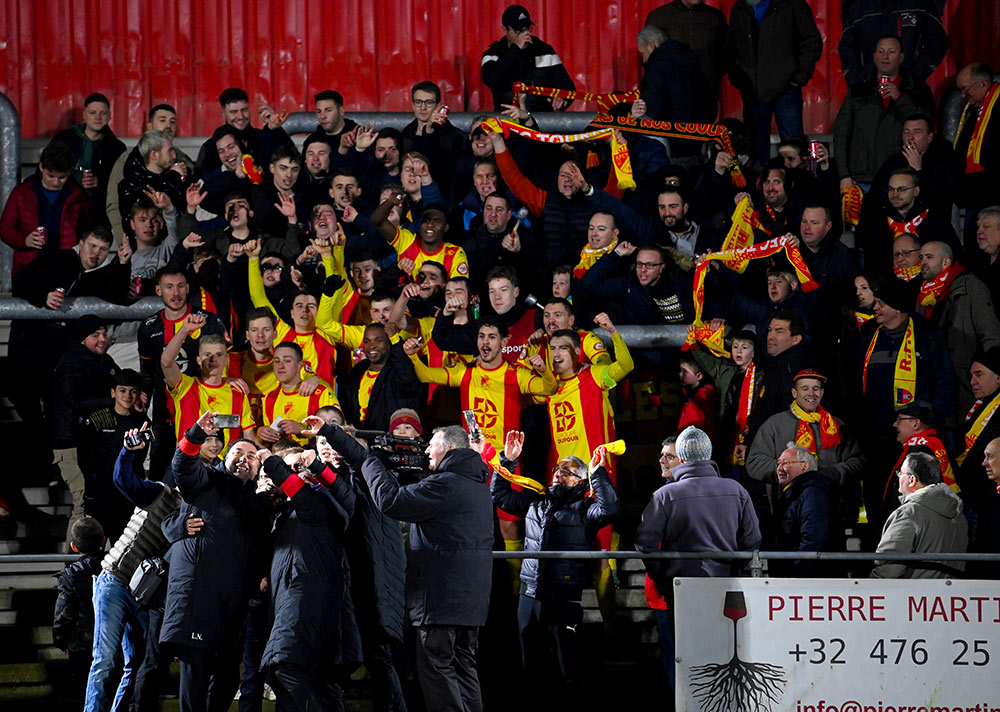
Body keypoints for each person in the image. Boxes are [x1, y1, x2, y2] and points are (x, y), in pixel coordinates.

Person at [362, 424, 494, 712]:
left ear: (448, 448)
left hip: (440, 599)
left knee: (437, 670)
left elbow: (390, 501)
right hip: (469, 600)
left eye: (431, 445)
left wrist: (370, 462)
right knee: (463, 667)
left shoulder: (446, 484)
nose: (425, 450)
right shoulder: (476, 481)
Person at [490, 432, 619, 707]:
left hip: (563, 596)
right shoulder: (536, 500)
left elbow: (610, 509)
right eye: (557, 469)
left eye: (567, 471)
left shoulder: (586, 508)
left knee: (568, 666)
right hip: (530, 595)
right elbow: (499, 495)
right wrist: (509, 461)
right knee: (531, 666)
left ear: (581, 481)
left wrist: (598, 472)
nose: (558, 474)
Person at [634, 426, 761, 690]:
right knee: (722, 656)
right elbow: (752, 540)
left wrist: (663, 574)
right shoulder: (735, 489)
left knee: (684, 659)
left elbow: (645, 543)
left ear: (681, 456)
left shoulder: (665, 495)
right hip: (725, 587)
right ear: (709, 454)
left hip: (681, 591)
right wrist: (733, 566)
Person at [161, 414, 270, 712]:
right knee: (195, 681)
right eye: (238, 452)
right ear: (226, 457)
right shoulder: (207, 481)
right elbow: (182, 465)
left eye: (251, 455)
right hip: (198, 602)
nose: (244, 459)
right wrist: (196, 434)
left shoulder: (259, 505)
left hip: (233, 608)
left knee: (226, 681)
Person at [84, 425, 182, 712]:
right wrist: (127, 452)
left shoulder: (195, 509)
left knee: (137, 662)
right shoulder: (158, 492)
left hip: (144, 593)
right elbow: (123, 479)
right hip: (115, 581)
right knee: (105, 660)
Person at [257, 447, 360, 712]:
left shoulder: (320, 501)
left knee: (286, 667)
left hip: (308, 612)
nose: (289, 476)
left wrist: (270, 460)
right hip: (310, 621)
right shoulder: (283, 516)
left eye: (295, 469)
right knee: (320, 689)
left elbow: (299, 493)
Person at [747, 369, 864, 521]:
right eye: (805, 388)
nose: (811, 394)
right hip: (787, 511)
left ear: (822, 393)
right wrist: (789, 470)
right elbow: (754, 462)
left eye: (816, 389)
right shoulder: (774, 424)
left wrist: (834, 473)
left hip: (832, 509)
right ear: (794, 393)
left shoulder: (836, 425)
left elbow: (858, 462)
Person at [834, 35, 936, 196]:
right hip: (859, 181)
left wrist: (900, 98)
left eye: (891, 51)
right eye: (881, 52)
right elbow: (841, 134)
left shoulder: (917, 90)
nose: (885, 56)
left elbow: (926, 124)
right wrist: (844, 176)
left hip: (898, 182)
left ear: (901, 57)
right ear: (874, 57)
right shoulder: (858, 90)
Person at [726, 0, 822, 162]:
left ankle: (796, 185)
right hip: (752, 92)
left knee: (794, 149)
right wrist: (738, 78)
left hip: (786, 90)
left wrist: (798, 78)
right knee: (755, 152)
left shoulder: (793, 5)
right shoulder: (740, 8)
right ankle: (760, 184)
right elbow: (731, 47)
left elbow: (811, 42)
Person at [917, 241, 1000, 416]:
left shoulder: (970, 287)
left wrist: (986, 378)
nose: (923, 261)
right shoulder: (923, 294)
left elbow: (990, 334)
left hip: (965, 384)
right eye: (921, 257)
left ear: (946, 262)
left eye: (929, 257)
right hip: (935, 384)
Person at [872, 451, 969, 578]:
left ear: (912, 480)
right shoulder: (958, 513)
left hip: (914, 595)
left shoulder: (908, 514)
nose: (898, 476)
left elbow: (889, 568)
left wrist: (870, 589)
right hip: (952, 594)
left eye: (901, 472)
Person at [0, 140, 90, 276]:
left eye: (62, 177)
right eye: (51, 175)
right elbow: (5, 228)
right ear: (41, 167)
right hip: (28, 269)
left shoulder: (78, 196)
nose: (55, 182)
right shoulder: (22, 193)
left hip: (64, 269)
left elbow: (88, 230)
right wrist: (25, 240)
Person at [481, 4, 576, 112]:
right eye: (518, 30)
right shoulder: (494, 53)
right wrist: (516, 49)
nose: (525, 34)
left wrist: (561, 98)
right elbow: (491, 79)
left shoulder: (544, 51)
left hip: (540, 122)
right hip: (508, 121)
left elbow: (568, 87)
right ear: (505, 30)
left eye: (527, 28)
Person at [52, 92, 127, 228]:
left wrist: (100, 183)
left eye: (103, 113)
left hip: (99, 217)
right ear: (84, 115)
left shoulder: (117, 148)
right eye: (93, 112)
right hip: (64, 212)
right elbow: (46, 171)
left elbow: (122, 183)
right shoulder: (64, 140)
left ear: (109, 115)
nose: (98, 117)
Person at [769, 444, 844, 577]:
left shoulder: (813, 492)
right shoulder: (796, 492)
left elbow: (814, 537)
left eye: (785, 463)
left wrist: (798, 574)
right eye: (778, 464)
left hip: (810, 582)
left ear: (804, 466)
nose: (779, 469)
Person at [643, 0, 728, 114]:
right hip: (669, 101)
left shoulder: (715, 18)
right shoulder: (659, 17)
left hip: (705, 97)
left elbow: (725, 55)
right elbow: (649, 59)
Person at [838, 0, 947, 87]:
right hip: (868, 92)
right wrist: (856, 81)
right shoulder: (860, 7)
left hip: (908, 94)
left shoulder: (921, 4)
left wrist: (915, 77)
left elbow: (938, 42)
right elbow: (846, 46)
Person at [54, 517, 105, 697]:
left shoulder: (70, 576)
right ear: (103, 541)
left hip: (81, 645)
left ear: (74, 547)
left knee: (85, 693)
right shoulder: (115, 569)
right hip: (113, 643)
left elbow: (64, 613)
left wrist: (60, 638)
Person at [340, 323, 425, 431]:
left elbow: (409, 382)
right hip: (359, 440)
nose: (372, 346)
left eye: (379, 341)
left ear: (389, 343)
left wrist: (395, 340)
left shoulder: (398, 371)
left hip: (387, 441)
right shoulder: (358, 371)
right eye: (367, 341)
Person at [953, 63, 1000, 244]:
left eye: (966, 90)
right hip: (975, 197)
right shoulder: (973, 109)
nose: (964, 96)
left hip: (992, 197)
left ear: (982, 84)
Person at [256, 342, 338, 446]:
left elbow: (338, 429)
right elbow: (270, 440)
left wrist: (302, 429)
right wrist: (262, 434)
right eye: (277, 361)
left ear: (300, 365)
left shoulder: (320, 393)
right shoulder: (269, 398)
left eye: (287, 361)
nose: (280, 366)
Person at [884, 400, 956, 513]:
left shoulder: (921, 453)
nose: (895, 424)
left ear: (915, 423)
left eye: (899, 419)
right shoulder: (935, 445)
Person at [634, 25, 713, 124]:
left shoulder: (657, 67)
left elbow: (653, 108)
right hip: (702, 127)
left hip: (674, 131)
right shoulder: (691, 59)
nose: (644, 59)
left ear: (651, 45)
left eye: (643, 53)